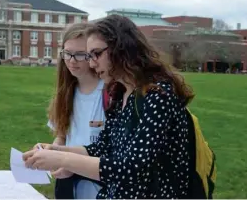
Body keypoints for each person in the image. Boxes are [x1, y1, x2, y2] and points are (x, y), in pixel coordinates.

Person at [24, 14, 195, 199]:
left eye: (96, 54)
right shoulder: (119, 94)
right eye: (89, 56)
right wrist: (56, 150)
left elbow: (134, 168)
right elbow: (103, 147)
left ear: (121, 48)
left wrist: (63, 159)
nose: (91, 63)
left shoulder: (157, 95)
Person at [45, 23, 105, 199]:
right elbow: (62, 135)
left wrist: (72, 164)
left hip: (100, 187)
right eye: (67, 53)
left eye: (80, 54)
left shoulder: (110, 93)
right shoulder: (66, 92)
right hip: (69, 187)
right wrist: (51, 150)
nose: (72, 60)